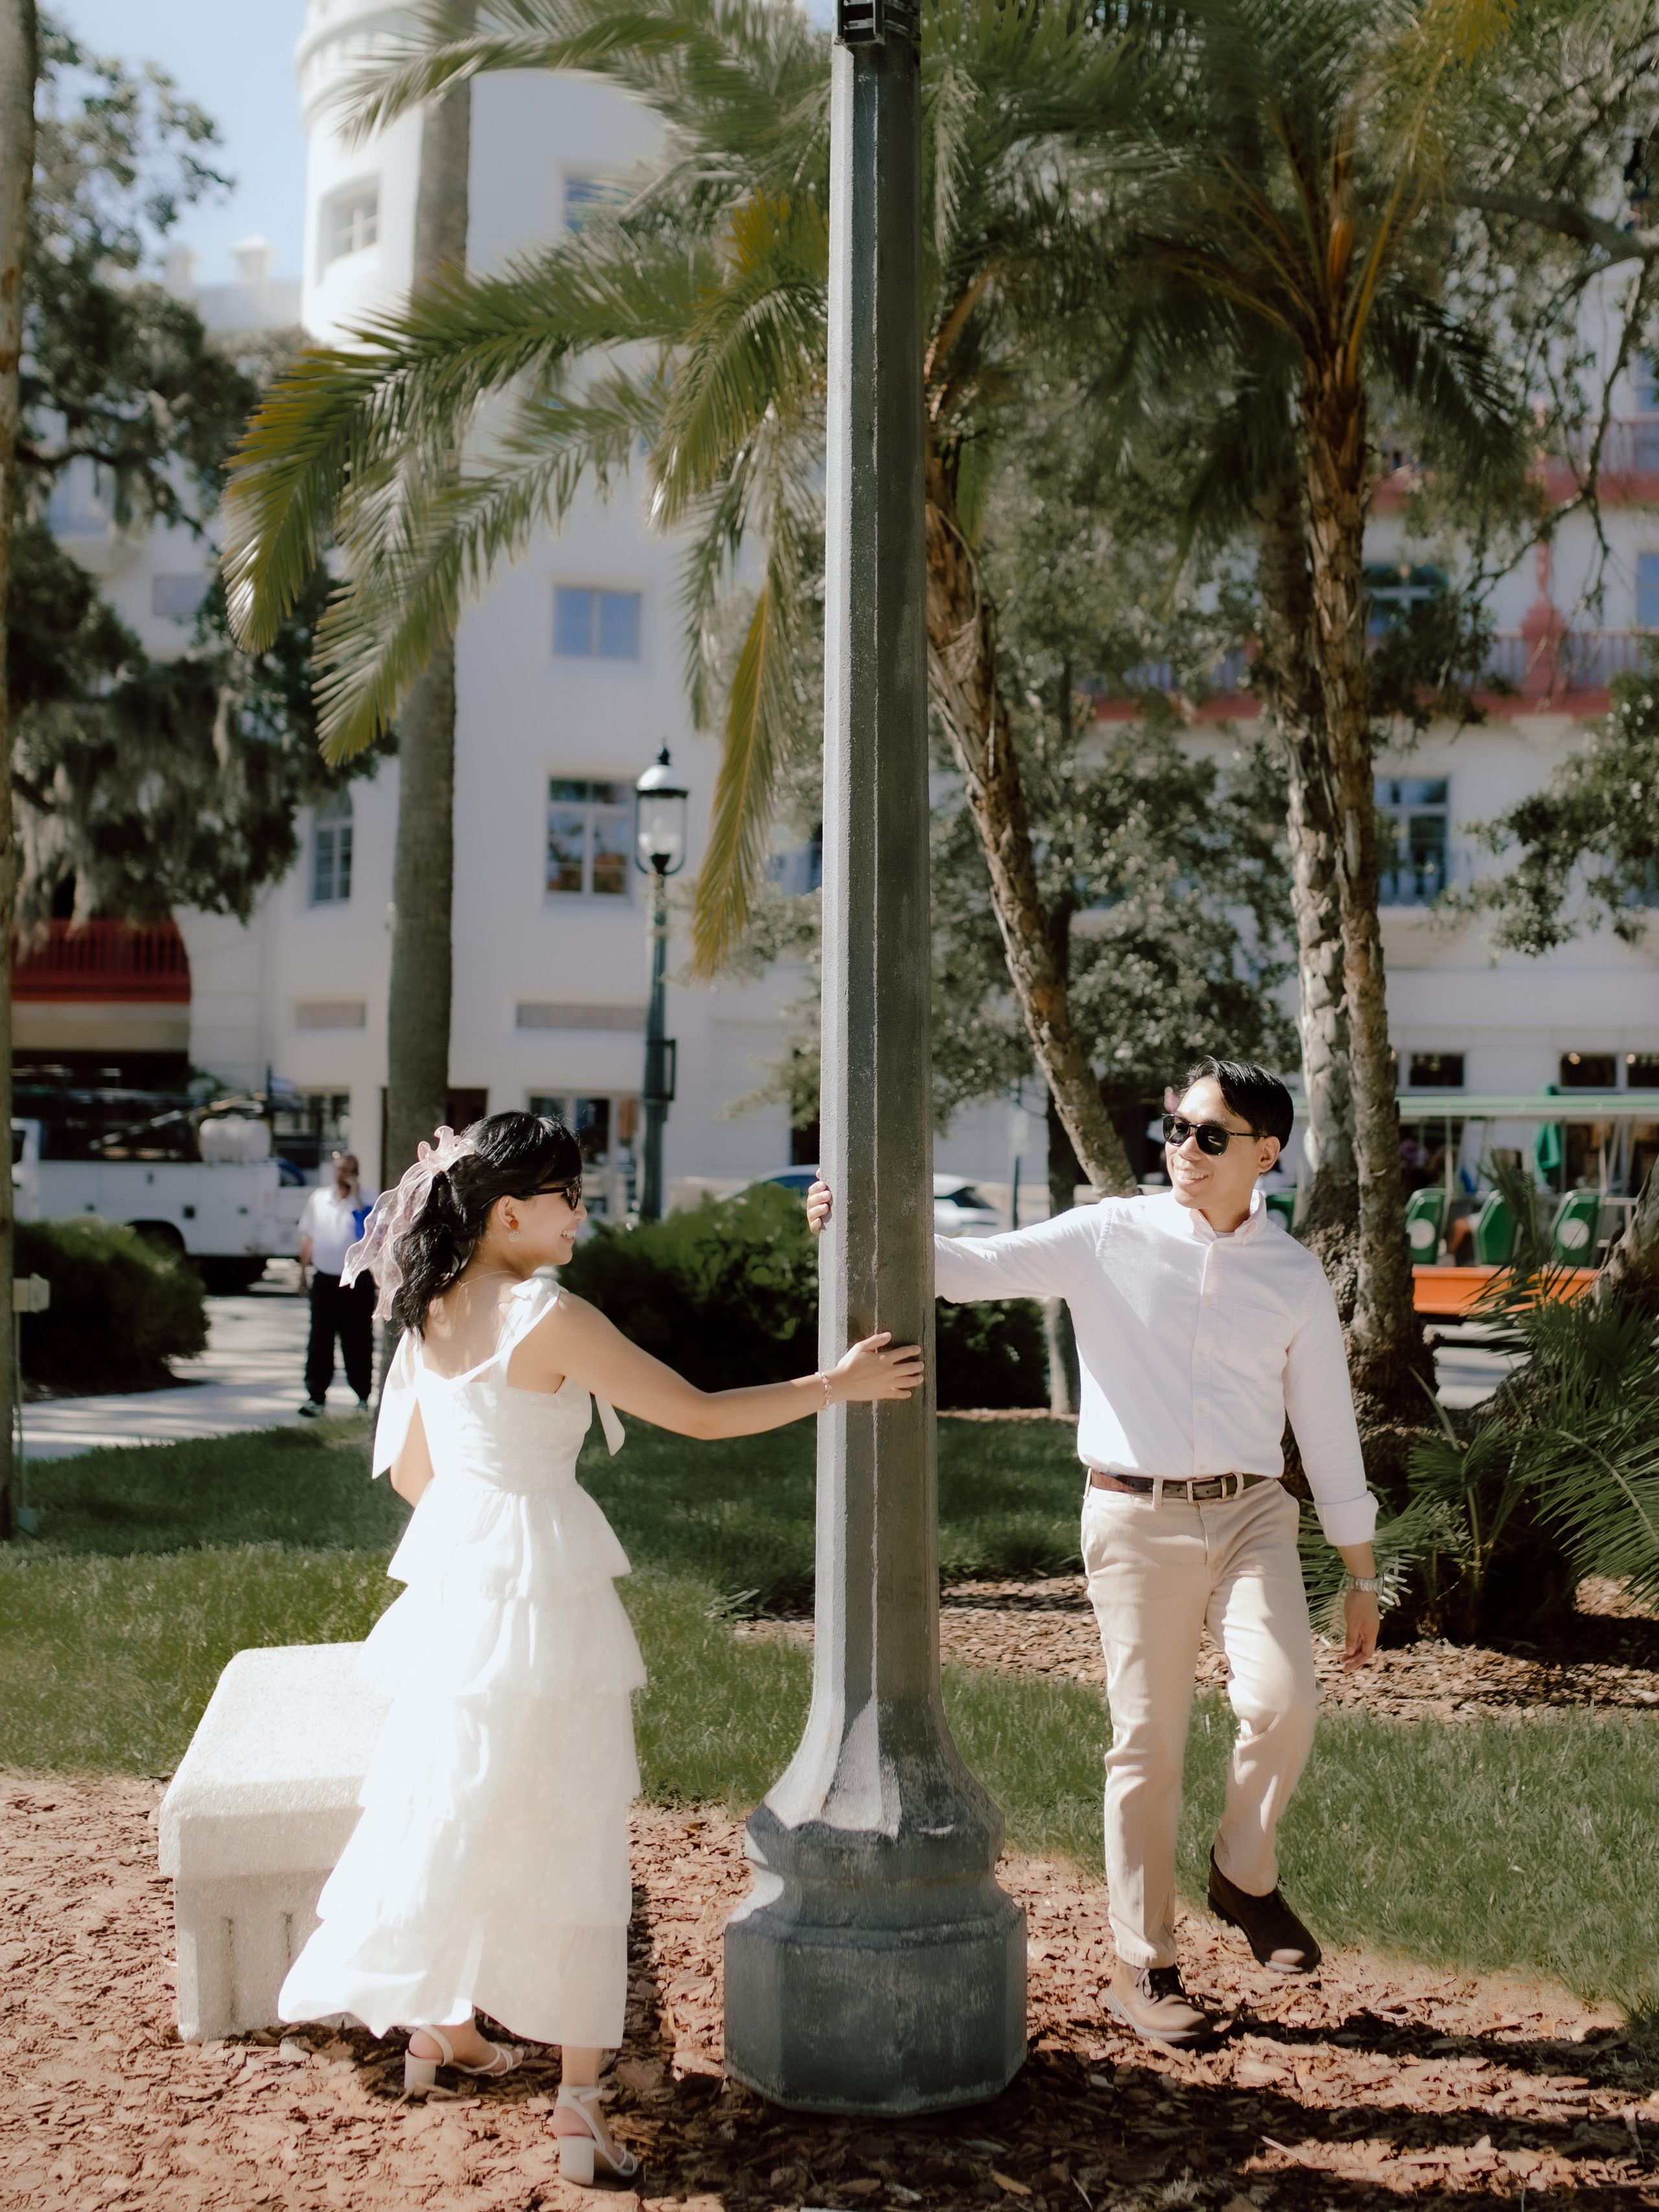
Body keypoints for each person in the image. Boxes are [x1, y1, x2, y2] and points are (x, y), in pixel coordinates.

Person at [278, 1112, 921, 2180]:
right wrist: (834, 1385)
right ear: (509, 1213)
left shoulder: (433, 1305)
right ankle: (577, 2103)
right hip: (541, 1576)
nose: (586, 1210)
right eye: (570, 1194)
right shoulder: (547, 1313)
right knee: (570, 1821)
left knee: (460, 1795)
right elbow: (700, 1415)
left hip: (455, 1574)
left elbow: (408, 1476)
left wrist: (477, 1526)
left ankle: (443, 2024)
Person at [808, 1058, 1379, 2049]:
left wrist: (1360, 1566)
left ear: (1266, 1153)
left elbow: (1325, 1424)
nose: (1184, 1150)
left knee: (1286, 1703)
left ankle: (1244, 1873)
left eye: (1211, 1136)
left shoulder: (1289, 1273)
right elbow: (962, 1269)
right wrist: (848, 1223)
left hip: (1251, 1516)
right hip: (1133, 1519)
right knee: (1147, 1740)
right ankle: (1143, 1962)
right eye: (1177, 1128)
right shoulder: (1110, 1233)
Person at [297, 1151, 378, 1415]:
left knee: (358, 1341)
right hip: (325, 1280)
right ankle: (316, 1398)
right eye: (338, 1169)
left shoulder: (367, 1200)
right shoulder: (319, 1199)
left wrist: (355, 1199)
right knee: (320, 1340)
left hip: (357, 1283)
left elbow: (365, 1236)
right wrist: (302, 1272)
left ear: (356, 1172)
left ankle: (362, 1396)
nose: (342, 1175)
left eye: (348, 1170)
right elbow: (308, 1238)